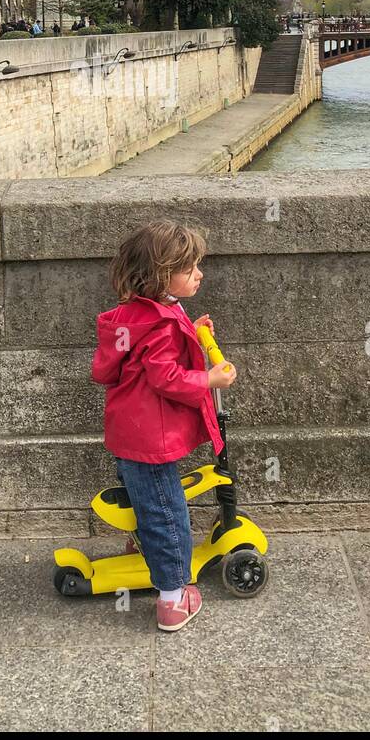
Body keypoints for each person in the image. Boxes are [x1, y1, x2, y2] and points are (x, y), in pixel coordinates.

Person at [90, 220, 236, 632]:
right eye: (190, 269)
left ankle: (144, 546)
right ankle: (172, 596)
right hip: (151, 436)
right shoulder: (161, 323)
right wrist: (210, 378)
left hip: (130, 427)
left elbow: (145, 355)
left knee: (145, 499)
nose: (199, 274)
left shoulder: (140, 313)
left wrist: (195, 331)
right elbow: (165, 376)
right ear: (160, 274)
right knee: (167, 511)